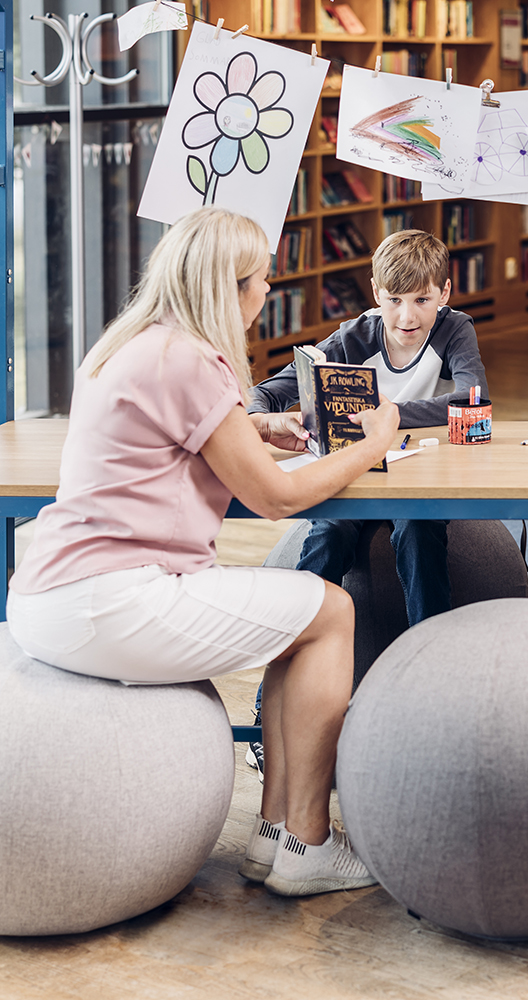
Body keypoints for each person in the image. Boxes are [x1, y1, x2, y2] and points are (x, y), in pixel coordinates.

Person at [5, 207, 400, 897]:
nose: (268, 291)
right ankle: (306, 841)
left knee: (299, 621)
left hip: (49, 595)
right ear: (227, 288)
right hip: (113, 601)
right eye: (260, 280)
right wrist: (373, 445)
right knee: (333, 611)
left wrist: (255, 427)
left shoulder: (131, 344)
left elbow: (174, 436)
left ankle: (274, 834)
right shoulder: (194, 362)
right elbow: (276, 498)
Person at [243, 229, 487, 779]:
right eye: (394, 299)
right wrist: (261, 415)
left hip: (414, 476)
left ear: (445, 293)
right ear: (376, 294)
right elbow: (269, 390)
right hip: (356, 475)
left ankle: (434, 694)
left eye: (422, 299)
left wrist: (388, 416)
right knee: (328, 537)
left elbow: (475, 398)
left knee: (419, 534)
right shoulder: (353, 337)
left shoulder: (455, 328)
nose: (407, 315)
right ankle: (267, 709)